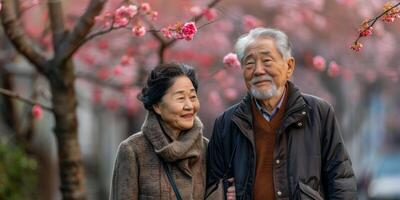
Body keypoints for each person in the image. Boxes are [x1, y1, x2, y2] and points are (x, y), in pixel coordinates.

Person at [206, 28, 357, 200]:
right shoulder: (227, 123)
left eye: (267, 61)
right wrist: (224, 193)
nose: (258, 70)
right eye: (249, 64)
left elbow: (341, 179)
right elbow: (212, 185)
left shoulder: (318, 113)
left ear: (289, 66)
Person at [110, 63, 234, 200]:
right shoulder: (133, 150)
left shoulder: (207, 149)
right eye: (180, 98)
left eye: (193, 97)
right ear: (157, 106)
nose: (189, 106)